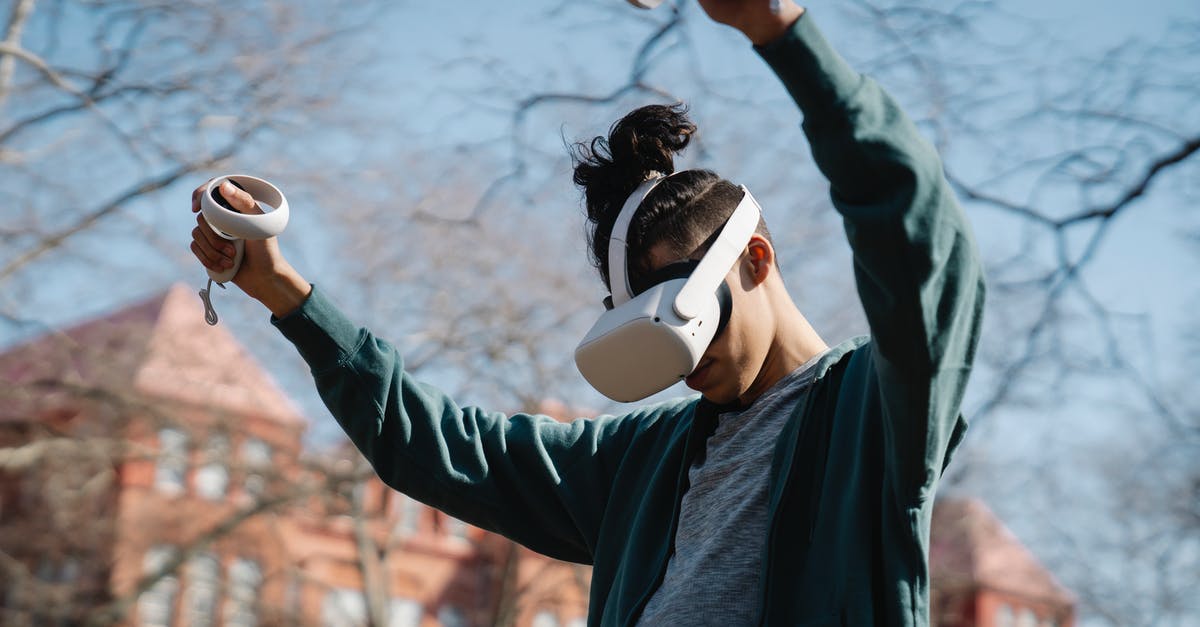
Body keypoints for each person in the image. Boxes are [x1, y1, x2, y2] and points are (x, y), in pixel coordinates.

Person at [188, 1, 984, 624]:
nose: (678, 348)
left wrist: (779, 31)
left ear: (756, 260)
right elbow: (434, 447)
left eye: (683, 306)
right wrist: (285, 294)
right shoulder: (645, 460)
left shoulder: (873, 413)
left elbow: (922, 252)